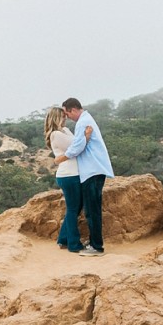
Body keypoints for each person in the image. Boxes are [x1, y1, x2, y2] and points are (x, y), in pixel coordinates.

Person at [54, 98, 114, 256]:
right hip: (93, 170)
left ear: (73, 109)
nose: (68, 117)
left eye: (67, 113)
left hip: (92, 171)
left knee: (92, 210)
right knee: (91, 208)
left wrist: (62, 158)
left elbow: (78, 146)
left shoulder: (82, 122)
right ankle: (94, 242)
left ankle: (97, 247)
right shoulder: (86, 119)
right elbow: (80, 143)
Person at [44, 107, 91, 253]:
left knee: (75, 208)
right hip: (68, 175)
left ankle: (63, 240)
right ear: (56, 118)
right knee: (72, 209)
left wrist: (82, 137)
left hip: (73, 174)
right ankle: (74, 244)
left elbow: (77, 143)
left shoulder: (65, 131)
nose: (65, 118)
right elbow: (76, 147)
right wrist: (87, 136)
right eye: (62, 117)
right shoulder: (56, 134)